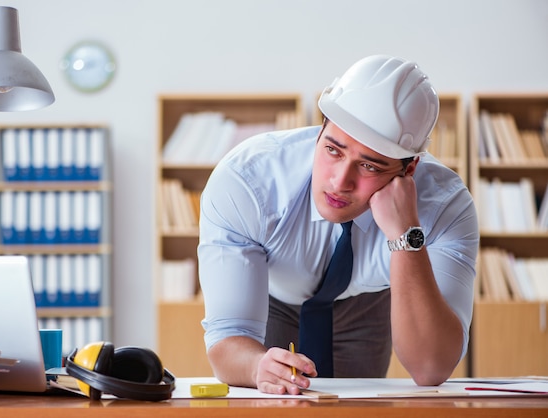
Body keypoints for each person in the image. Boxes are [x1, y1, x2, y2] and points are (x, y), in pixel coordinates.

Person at [197, 55, 479, 395]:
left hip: (367, 300)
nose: (340, 181)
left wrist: (405, 236)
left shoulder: (445, 205)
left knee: (360, 406)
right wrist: (257, 365)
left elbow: (431, 367)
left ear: (409, 170)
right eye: (333, 150)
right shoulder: (247, 182)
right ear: (321, 130)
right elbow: (227, 343)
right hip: (273, 292)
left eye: (370, 166)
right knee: (270, 395)